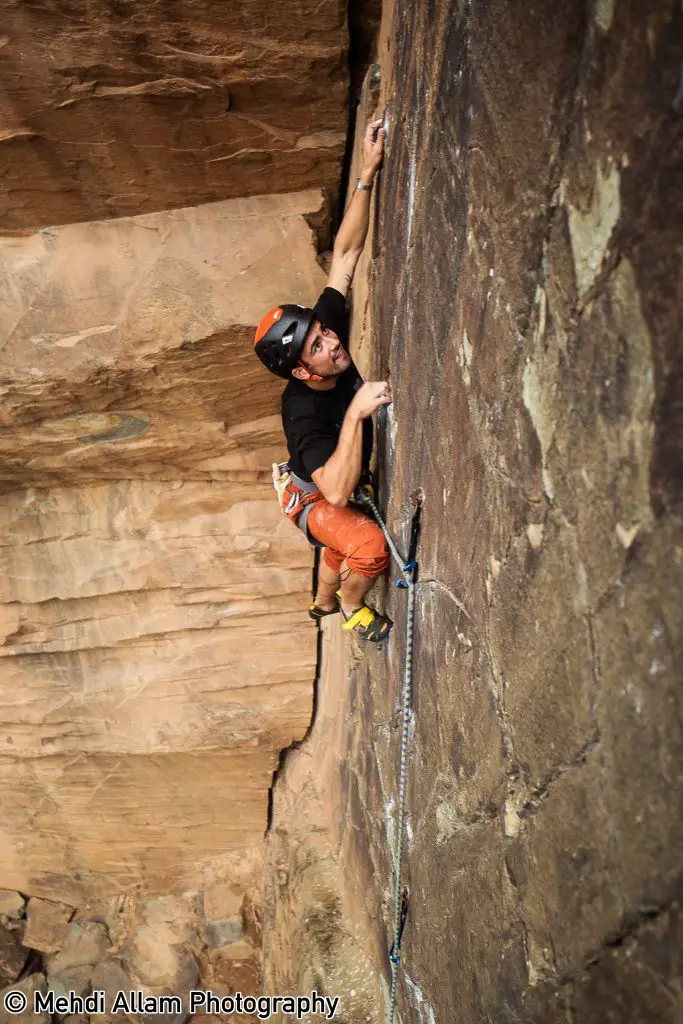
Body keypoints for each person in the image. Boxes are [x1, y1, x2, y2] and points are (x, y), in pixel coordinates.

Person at [253, 116, 393, 643]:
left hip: (326, 484)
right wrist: (356, 409)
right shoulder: (303, 412)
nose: (334, 341)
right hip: (314, 498)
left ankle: (321, 602)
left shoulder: (323, 337)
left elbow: (346, 256)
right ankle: (351, 608)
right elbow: (334, 491)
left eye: (324, 331)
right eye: (318, 345)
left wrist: (367, 172)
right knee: (367, 546)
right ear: (301, 370)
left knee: (339, 547)